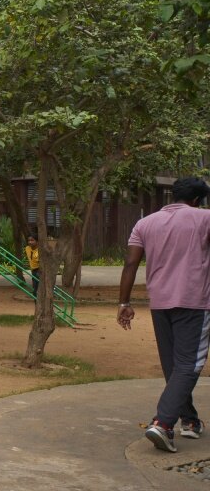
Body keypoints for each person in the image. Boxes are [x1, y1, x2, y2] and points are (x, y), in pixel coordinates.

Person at [118, 177, 210, 454]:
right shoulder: (204, 218)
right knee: (189, 365)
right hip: (194, 302)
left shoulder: (145, 223)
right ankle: (163, 423)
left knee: (173, 366)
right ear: (197, 200)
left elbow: (131, 262)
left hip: (159, 303)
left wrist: (124, 302)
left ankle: (190, 421)